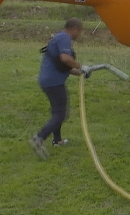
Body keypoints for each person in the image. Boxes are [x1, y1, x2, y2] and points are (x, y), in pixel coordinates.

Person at [29, 17, 87, 159]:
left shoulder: (59, 37)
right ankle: (39, 138)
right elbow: (65, 59)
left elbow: (62, 66)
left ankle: (57, 140)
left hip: (49, 80)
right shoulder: (64, 38)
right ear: (75, 29)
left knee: (58, 112)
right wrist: (81, 66)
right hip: (53, 82)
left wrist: (78, 72)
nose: (79, 35)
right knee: (60, 114)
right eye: (80, 32)